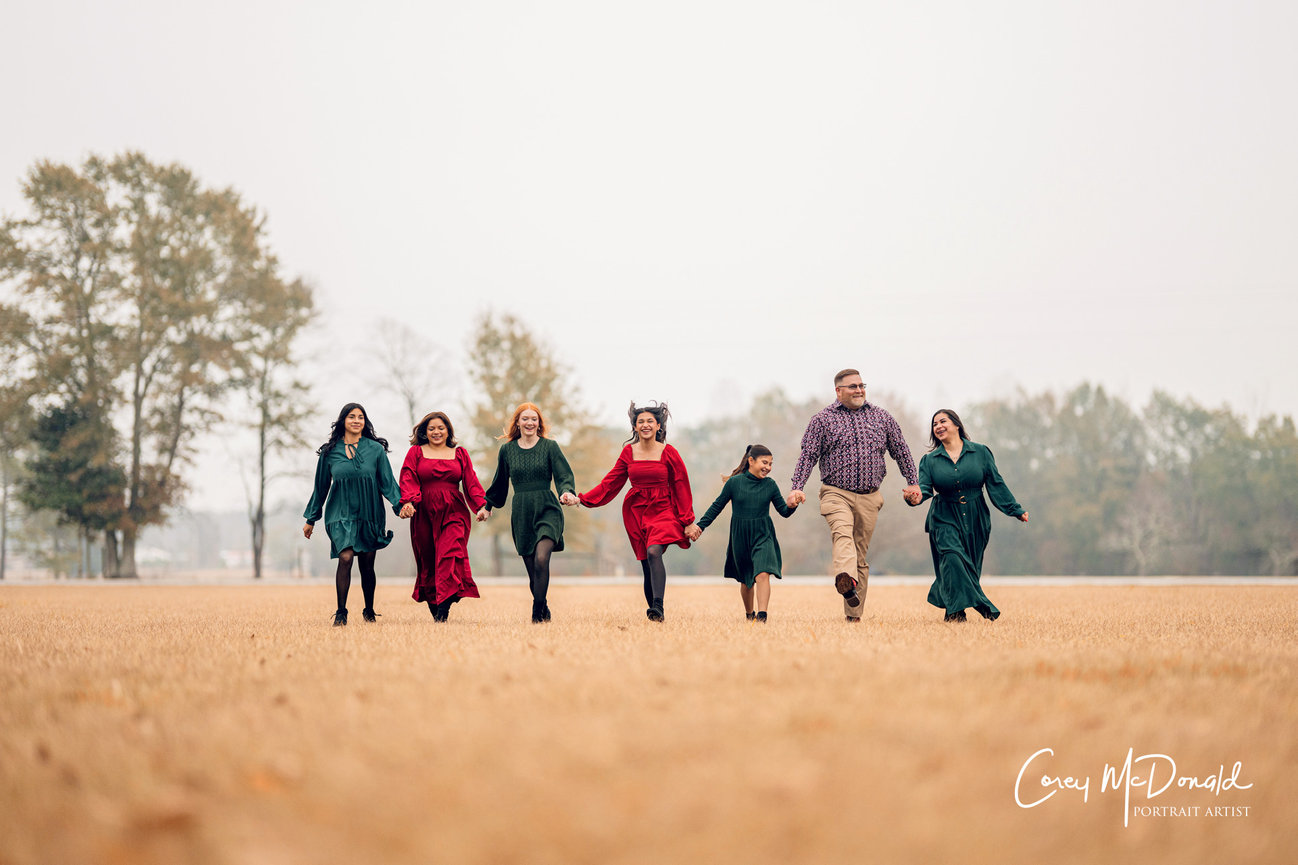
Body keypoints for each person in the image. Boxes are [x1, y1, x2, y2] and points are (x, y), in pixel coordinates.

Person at [788, 369, 920, 622]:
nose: (859, 390)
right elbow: (808, 455)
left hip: (870, 496)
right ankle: (846, 578)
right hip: (835, 493)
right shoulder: (822, 420)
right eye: (852, 386)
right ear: (838, 391)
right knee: (843, 533)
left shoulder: (882, 417)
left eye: (861, 385)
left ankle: (853, 615)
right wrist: (797, 486)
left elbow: (901, 450)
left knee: (860, 555)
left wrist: (912, 482)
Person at [578, 402, 697, 622]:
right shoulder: (628, 452)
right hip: (636, 512)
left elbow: (681, 485)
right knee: (646, 562)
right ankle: (655, 614)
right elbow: (610, 483)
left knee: (653, 551)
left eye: (650, 421)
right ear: (634, 427)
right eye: (640, 421)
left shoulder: (669, 452)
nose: (645, 425)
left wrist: (688, 520)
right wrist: (582, 499)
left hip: (663, 508)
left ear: (658, 426)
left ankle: (658, 606)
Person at [907, 409, 1028, 622]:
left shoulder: (981, 452)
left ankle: (954, 613)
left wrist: (1014, 509)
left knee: (968, 566)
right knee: (952, 558)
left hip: (976, 516)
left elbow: (996, 483)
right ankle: (980, 604)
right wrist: (914, 498)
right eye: (934, 424)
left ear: (957, 424)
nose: (938, 426)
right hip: (943, 516)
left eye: (943, 421)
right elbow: (924, 489)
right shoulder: (929, 460)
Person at [303, 403, 404, 626]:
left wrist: (400, 506)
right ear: (343, 421)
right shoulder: (329, 452)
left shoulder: (375, 450)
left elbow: (387, 482)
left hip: (369, 513)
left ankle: (369, 610)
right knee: (346, 557)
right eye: (351, 416)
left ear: (365, 422)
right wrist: (311, 519)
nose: (356, 420)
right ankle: (341, 612)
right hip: (339, 514)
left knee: (367, 565)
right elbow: (320, 487)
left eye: (360, 417)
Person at [477, 403, 579, 623]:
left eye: (534, 419)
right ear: (517, 422)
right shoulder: (507, 450)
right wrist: (487, 507)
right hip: (522, 512)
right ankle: (544, 609)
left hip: (547, 508)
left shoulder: (550, 447)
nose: (530, 422)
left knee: (542, 559)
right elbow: (499, 483)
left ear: (539, 423)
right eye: (525, 419)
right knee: (533, 570)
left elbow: (563, 475)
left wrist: (566, 492)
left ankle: (536, 613)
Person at [687, 444, 798, 622]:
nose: (768, 467)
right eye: (764, 462)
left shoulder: (770, 485)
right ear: (751, 461)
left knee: (763, 573)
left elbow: (784, 512)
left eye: (771, 464)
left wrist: (792, 505)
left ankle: (762, 616)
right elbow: (717, 506)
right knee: (747, 581)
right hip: (740, 536)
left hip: (763, 534)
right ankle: (749, 614)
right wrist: (700, 527)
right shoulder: (734, 483)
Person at [398, 411, 485, 622]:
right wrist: (408, 501)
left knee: (449, 555)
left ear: (448, 431)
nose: (436, 432)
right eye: (431, 429)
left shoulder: (460, 453)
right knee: (428, 561)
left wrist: (482, 506)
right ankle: (436, 610)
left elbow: (471, 482)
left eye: (440, 428)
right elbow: (408, 477)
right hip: (423, 511)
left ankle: (443, 611)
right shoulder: (416, 452)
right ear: (424, 432)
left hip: (454, 510)